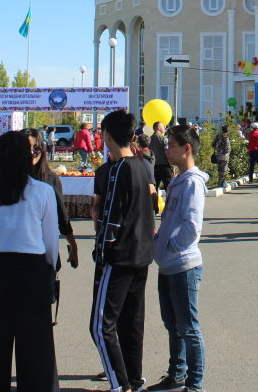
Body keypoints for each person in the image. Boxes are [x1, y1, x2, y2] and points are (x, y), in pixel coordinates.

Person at [0, 131, 59, 391]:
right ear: (26, 157)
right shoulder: (42, 191)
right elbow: (50, 241)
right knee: (36, 347)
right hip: (32, 270)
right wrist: (48, 269)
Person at [90, 110, 155, 392]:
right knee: (132, 323)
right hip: (141, 255)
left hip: (119, 257)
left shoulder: (118, 169)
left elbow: (111, 219)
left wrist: (101, 251)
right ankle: (134, 380)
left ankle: (120, 385)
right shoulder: (142, 165)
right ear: (132, 135)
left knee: (101, 325)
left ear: (106, 136)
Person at [148, 125, 207, 392]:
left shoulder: (193, 182)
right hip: (168, 265)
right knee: (173, 326)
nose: (167, 149)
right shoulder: (177, 180)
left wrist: (170, 246)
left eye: (171, 145)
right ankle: (177, 376)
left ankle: (195, 385)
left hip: (183, 265)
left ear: (187, 149)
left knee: (189, 328)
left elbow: (192, 227)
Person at [25, 128, 78, 270]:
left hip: (42, 255)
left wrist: (73, 246)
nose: (32, 152)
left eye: (36, 148)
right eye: (26, 148)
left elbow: (62, 216)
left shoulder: (50, 179)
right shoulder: (7, 182)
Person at [149, 121, 173, 190]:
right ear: (158, 128)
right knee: (169, 187)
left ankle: (154, 200)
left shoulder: (150, 139)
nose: (164, 128)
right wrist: (171, 165)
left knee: (154, 187)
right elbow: (167, 152)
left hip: (154, 166)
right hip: (164, 165)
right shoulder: (163, 139)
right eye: (163, 126)